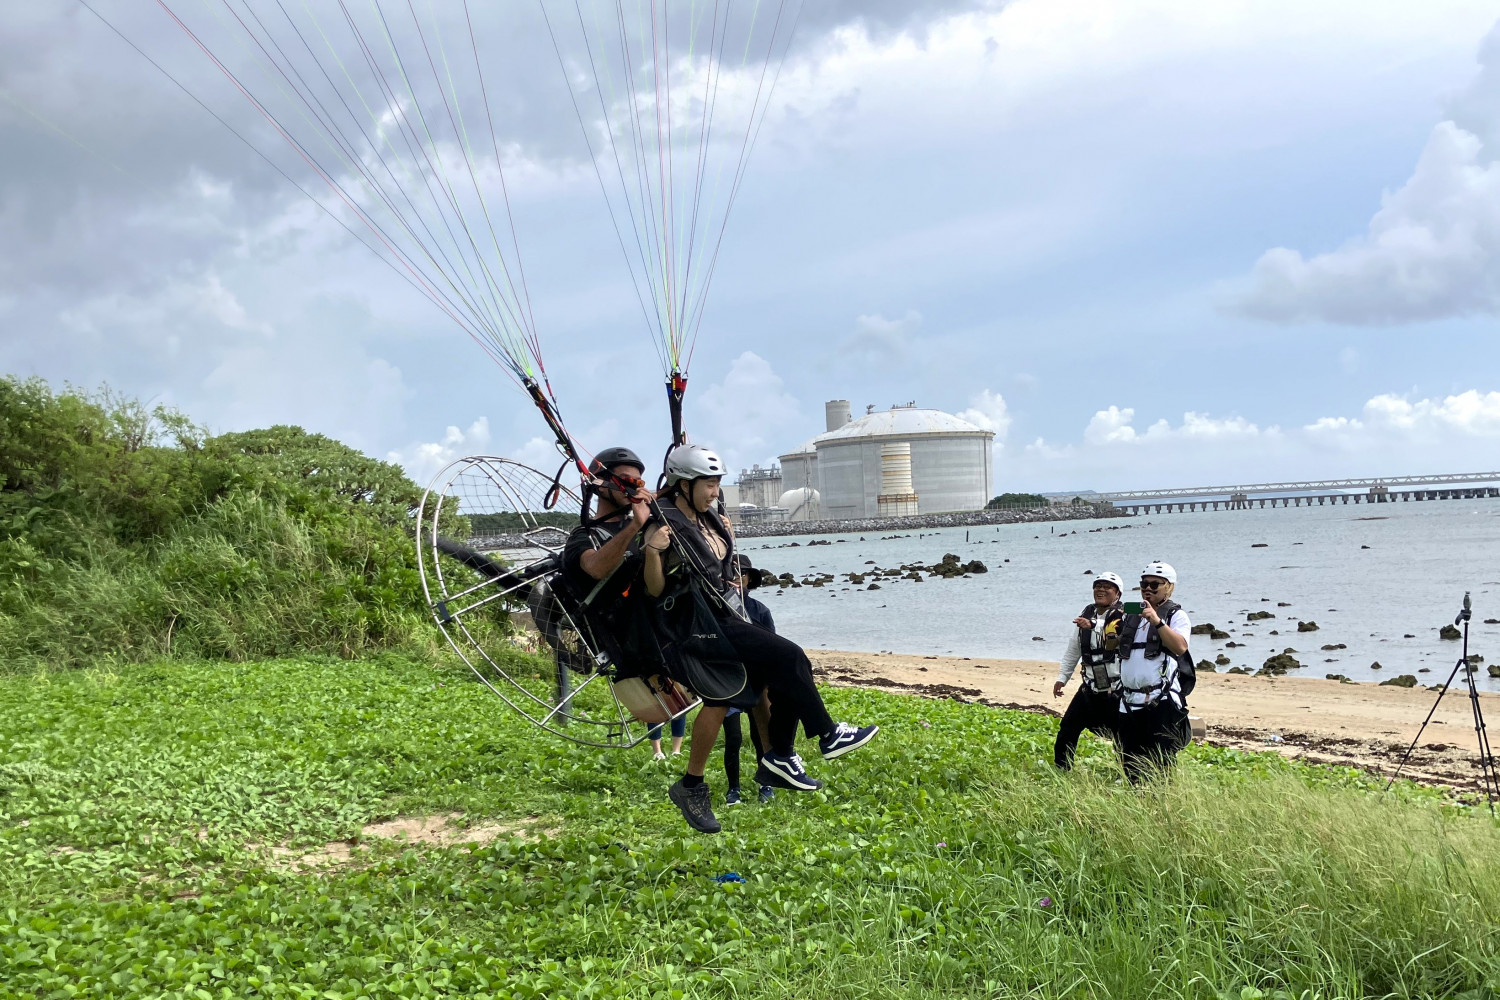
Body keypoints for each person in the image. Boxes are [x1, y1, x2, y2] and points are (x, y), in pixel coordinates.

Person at [643, 444, 878, 833]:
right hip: (698, 625)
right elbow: (654, 590)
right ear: (683, 484)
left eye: (718, 483)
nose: (716, 491)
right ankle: (824, 735)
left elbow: (721, 567)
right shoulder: (661, 525)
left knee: (759, 684)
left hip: (726, 613)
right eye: (708, 484)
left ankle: (771, 758)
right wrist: (654, 552)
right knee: (790, 656)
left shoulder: (712, 517)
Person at [1113, 561, 1195, 782]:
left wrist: (1157, 622)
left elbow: (1180, 647)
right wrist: (1107, 630)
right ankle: (1137, 805)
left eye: (1154, 584)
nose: (1148, 588)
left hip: (1160, 700)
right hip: (1129, 701)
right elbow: (1114, 647)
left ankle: (1163, 806)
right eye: (1144, 584)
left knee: (1162, 763)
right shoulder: (1131, 614)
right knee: (1129, 762)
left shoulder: (1176, 616)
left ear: (1169, 586)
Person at [1051, 572, 1127, 770]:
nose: (1100, 589)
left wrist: (1093, 625)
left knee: (1122, 735)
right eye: (1097, 585)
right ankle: (1061, 770)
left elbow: (1120, 630)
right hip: (1090, 687)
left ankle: (1126, 774)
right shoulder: (1085, 616)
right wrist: (1062, 677)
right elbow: (1073, 649)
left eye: (1107, 587)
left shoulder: (1126, 614)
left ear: (1117, 593)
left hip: (1116, 689)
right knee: (1068, 728)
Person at [723, 555, 775, 805]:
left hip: (755, 682)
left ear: (749, 579)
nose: (737, 578)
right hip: (729, 683)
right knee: (733, 738)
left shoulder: (760, 610)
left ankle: (766, 783)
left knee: (760, 736)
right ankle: (733, 789)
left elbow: (772, 646)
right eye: (732, 574)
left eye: (741, 574)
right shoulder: (717, 607)